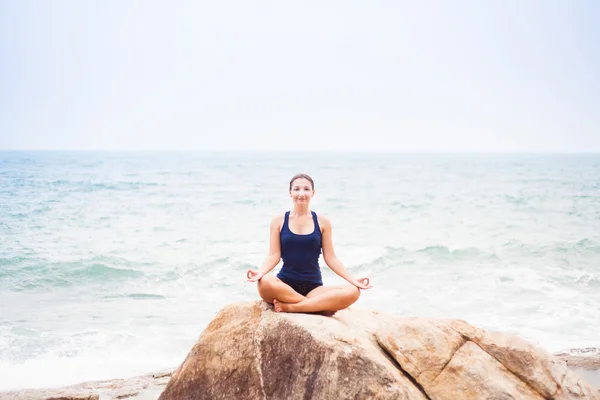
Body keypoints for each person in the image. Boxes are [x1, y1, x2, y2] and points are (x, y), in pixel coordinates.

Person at [246, 173, 372, 315]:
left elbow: (331, 258)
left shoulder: (323, 222)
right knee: (264, 282)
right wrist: (260, 272)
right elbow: (274, 255)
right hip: (285, 286)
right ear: (290, 193)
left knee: (353, 291)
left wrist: (353, 279)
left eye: (306, 189)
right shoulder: (278, 221)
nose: (301, 193)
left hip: (314, 288)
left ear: (313, 192)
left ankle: (294, 307)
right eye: (297, 189)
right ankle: (318, 308)